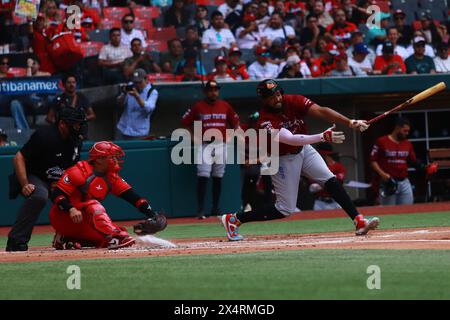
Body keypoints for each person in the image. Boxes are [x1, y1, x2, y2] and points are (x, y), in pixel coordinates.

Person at [220, 79, 379, 241]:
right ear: (264, 100)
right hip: (283, 158)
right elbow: (290, 139)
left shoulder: (293, 100)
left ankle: (358, 220)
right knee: (285, 209)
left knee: (330, 180)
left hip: (303, 150)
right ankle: (234, 219)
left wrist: (350, 122)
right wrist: (322, 136)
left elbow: (321, 111)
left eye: (277, 93)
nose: (277, 98)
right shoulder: (264, 119)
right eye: (271, 97)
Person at [49, 141, 166, 250]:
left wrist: (152, 214)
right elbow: (56, 195)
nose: (115, 160)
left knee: (114, 236)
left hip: (83, 221)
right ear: (99, 159)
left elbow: (134, 198)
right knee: (101, 215)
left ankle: (66, 238)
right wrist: (71, 209)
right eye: (112, 157)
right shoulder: (79, 171)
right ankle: (108, 235)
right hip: (63, 216)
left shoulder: (111, 177)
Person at [6, 108, 87, 251]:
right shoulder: (44, 136)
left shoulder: (75, 141)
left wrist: (63, 183)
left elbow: (72, 168)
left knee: (83, 191)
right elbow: (18, 157)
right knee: (39, 196)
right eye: (74, 124)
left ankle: (69, 236)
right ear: (62, 124)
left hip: (58, 179)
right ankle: (16, 240)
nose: (78, 128)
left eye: (79, 124)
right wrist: (25, 184)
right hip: (35, 176)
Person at [181, 80, 240, 219]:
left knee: (218, 177)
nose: (213, 92)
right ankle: (200, 210)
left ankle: (215, 208)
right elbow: (185, 122)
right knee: (203, 175)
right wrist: (193, 136)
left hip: (221, 144)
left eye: (215, 90)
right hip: (205, 144)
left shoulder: (225, 105)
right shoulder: (198, 106)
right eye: (210, 90)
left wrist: (231, 136)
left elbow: (236, 122)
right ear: (205, 91)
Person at [369, 118, 415, 206]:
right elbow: (372, 160)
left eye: (408, 131)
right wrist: (382, 174)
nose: (406, 133)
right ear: (397, 128)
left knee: (408, 209)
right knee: (388, 210)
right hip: (388, 181)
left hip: (404, 181)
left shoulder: (407, 143)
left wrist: (425, 166)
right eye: (405, 131)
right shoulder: (381, 141)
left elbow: (413, 161)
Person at [116, 69, 158, 140]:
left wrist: (137, 96)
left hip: (139, 133)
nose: (137, 85)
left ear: (146, 79)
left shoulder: (152, 92)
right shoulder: (130, 86)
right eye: (135, 82)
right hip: (123, 128)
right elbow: (119, 103)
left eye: (140, 82)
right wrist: (124, 93)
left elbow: (148, 109)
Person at [309, 143, 345, 210]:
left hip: (335, 201)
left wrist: (323, 184)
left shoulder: (338, 166)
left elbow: (338, 182)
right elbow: (312, 186)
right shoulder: (316, 167)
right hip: (320, 202)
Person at [0, 56, 30, 129]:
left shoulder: (13, 76)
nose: (5, 65)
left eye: (7, 64)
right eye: (3, 63)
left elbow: (28, 83)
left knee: (15, 103)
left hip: (12, 100)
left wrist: (29, 67)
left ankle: (25, 132)